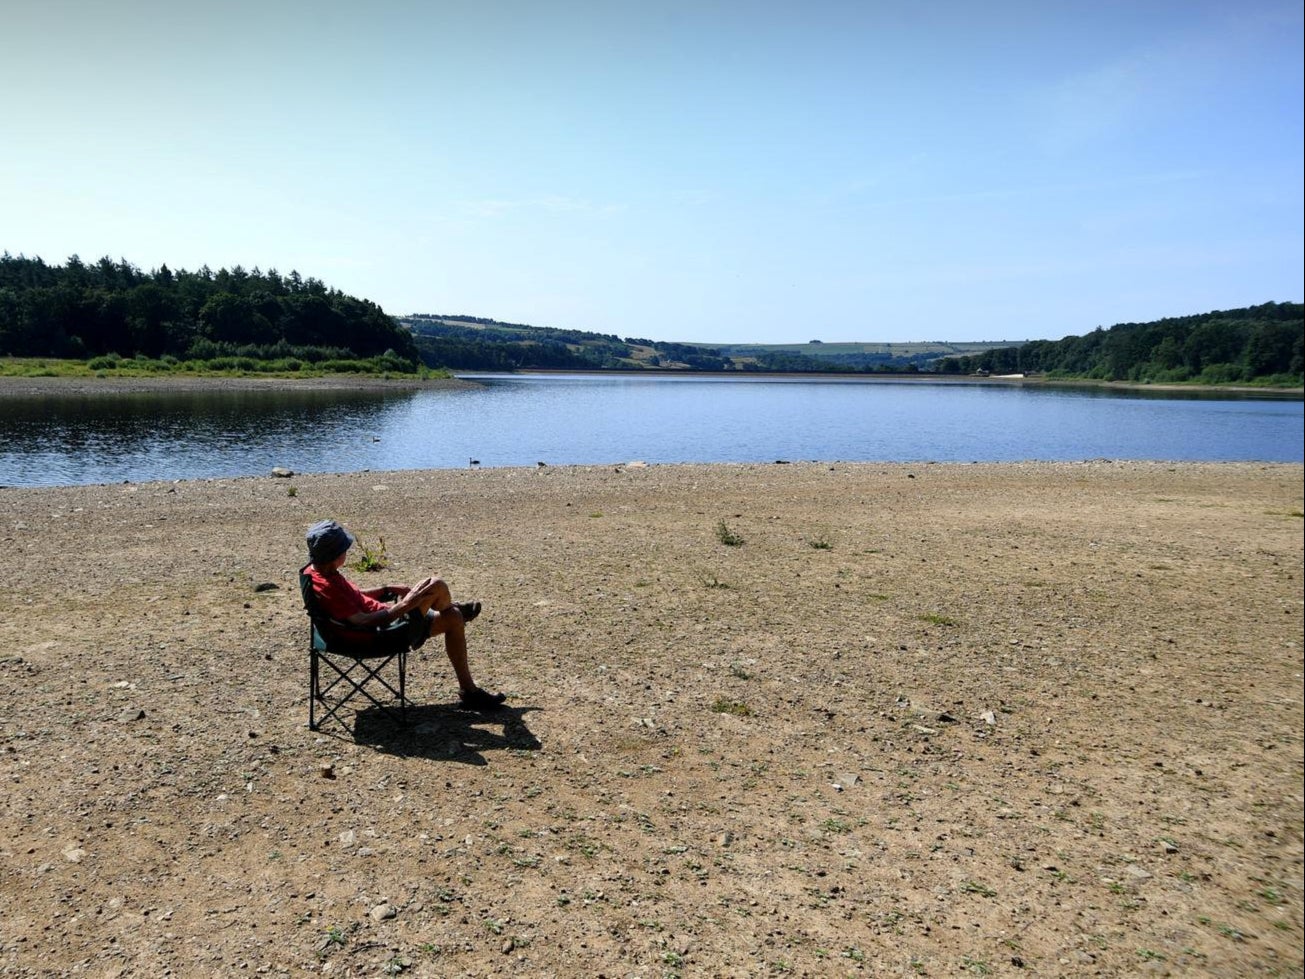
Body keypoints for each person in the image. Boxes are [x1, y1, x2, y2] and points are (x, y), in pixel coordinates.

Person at [304, 519, 506, 711]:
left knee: (453, 617)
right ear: (335, 555)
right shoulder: (327, 586)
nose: (347, 552)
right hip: (378, 634)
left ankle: (469, 691)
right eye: (344, 549)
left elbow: (355, 596)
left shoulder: (319, 572)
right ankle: (446, 612)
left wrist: (387, 588)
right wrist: (406, 605)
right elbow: (363, 621)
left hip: (375, 626)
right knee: (436, 584)